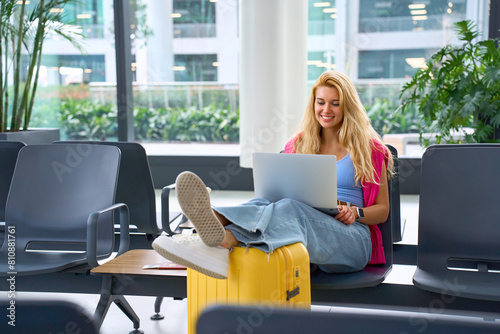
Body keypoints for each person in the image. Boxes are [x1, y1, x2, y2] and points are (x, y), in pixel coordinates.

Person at [152, 70, 394, 279]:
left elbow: (382, 211)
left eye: (335, 103)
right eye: (320, 102)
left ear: (347, 106)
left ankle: (215, 231)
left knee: (292, 208)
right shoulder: (298, 145)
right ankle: (216, 235)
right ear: (313, 105)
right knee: (266, 202)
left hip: (352, 240)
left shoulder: (370, 149)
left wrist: (356, 212)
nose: (326, 109)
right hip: (305, 229)